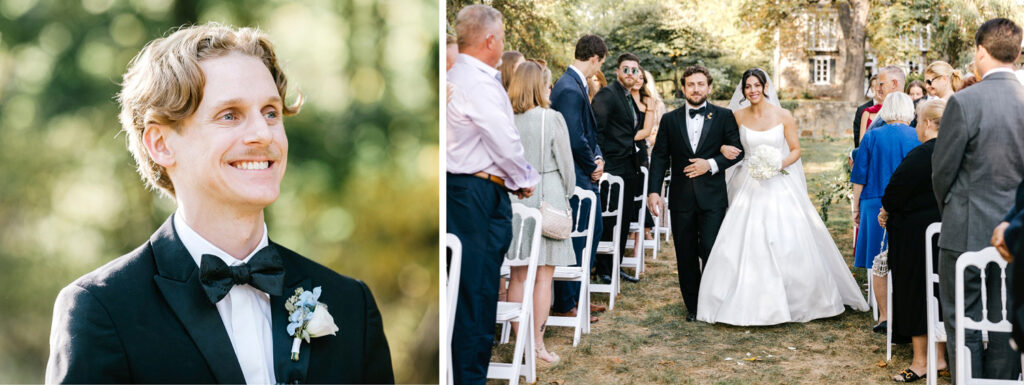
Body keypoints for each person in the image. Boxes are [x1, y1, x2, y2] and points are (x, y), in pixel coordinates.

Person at [45, 23, 393, 383]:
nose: (263, 134)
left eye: (271, 112)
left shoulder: (350, 304)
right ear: (161, 144)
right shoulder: (102, 310)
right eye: (230, 115)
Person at [694, 68, 868, 325]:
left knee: (788, 237)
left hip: (778, 180)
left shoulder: (783, 115)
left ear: (765, 87)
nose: (752, 90)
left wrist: (778, 164)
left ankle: (797, 299)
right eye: (748, 86)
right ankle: (740, 298)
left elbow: (796, 150)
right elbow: (725, 143)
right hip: (748, 183)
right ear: (743, 90)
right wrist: (722, 147)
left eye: (757, 85)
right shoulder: (737, 116)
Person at [446, 5, 540, 384]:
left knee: (466, 293)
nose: (503, 41)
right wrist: (523, 178)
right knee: (479, 295)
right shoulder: (479, 82)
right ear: (490, 40)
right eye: (501, 35)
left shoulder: (458, 76)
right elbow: (503, 140)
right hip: (478, 196)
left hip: (464, 193)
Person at [932, 18, 1024, 382]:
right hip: (1017, 234)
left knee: (961, 319)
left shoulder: (964, 101)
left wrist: (950, 211)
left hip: (965, 229)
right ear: (1016, 54)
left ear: (981, 52)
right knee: (1007, 316)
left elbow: (942, 171)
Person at [647, 65, 743, 322]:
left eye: (701, 84)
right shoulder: (670, 119)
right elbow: (659, 157)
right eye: (691, 84)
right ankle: (694, 306)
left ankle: (716, 301)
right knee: (686, 254)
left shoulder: (724, 116)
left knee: (711, 249)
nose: (696, 89)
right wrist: (654, 191)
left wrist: (710, 164)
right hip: (680, 199)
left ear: (709, 87)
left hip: (712, 196)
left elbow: (738, 151)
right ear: (683, 88)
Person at [504, 61, 575, 365]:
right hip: (547, 195)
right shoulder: (551, 118)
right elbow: (568, 167)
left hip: (514, 201)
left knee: (517, 276)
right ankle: (536, 346)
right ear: (540, 86)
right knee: (543, 277)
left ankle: (520, 343)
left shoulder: (505, 119)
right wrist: (566, 195)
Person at [878, 99, 948, 382]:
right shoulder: (954, 152)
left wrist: (886, 211)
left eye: (918, 120)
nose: (916, 125)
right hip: (946, 232)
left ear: (929, 123)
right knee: (940, 294)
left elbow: (894, 192)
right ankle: (941, 357)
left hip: (917, 237)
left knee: (915, 293)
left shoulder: (921, 154)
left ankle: (921, 362)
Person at [851, 92, 921, 333]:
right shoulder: (918, 136)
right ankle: (905, 311)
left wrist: (855, 207)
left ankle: (883, 314)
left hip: (873, 201)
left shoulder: (871, 136)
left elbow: (859, 176)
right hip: (906, 204)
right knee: (904, 257)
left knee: (877, 260)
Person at [550, 34, 608, 323]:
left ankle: (577, 296)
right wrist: (591, 165)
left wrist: (598, 156)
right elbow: (573, 137)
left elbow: (588, 133)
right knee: (578, 237)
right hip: (576, 177)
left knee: (590, 233)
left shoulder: (574, 85)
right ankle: (566, 302)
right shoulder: (569, 88)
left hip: (585, 171)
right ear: (595, 58)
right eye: (600, 64)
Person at [592, 53, 644, 284]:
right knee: (611, 220)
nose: (630, 74)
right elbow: (598, 132)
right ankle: (603, 269)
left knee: (624, 220)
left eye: (634, 70)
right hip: (612, 168)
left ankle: (616, 265)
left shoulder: (629, 97)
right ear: (617, 72)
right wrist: (601, 162)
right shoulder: (607, 94)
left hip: (629, 166)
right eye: (626, 69)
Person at [864, 66, 908, 132]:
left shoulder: (914, 115)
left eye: (881, 84)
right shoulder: (884, 111)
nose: (877, 88)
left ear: (894, 84)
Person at [854, 74, 881, 147]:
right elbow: (857, 137)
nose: (876, 89)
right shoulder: (861, 110)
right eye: (873, 86)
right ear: (871, 88)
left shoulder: (889, 107)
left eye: (878, 86)